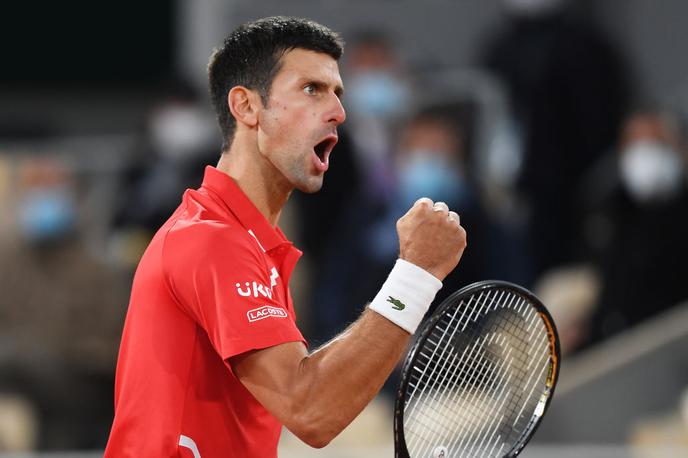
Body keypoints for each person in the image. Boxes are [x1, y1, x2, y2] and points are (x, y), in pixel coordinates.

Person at [104, 16, 467, 457]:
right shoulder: (211, 241)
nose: (338, 111)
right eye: (312, 89)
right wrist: (415, 275)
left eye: (338, 93)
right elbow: (311, 408)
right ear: (246, 107)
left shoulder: (248, 243)